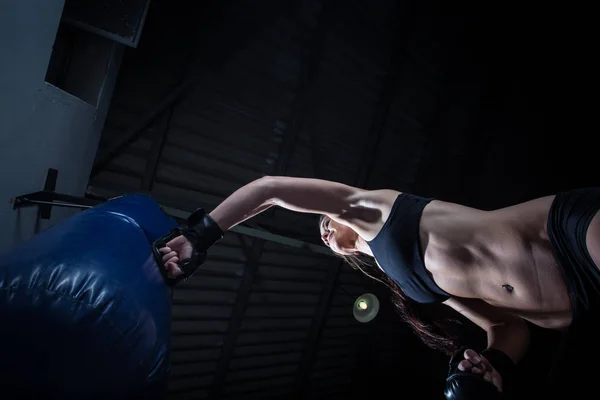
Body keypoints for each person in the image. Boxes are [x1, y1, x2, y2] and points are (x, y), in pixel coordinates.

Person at [157, 176, 600, 395]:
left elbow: (270, 189)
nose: (324, 229)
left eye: (325, 221)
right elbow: (509, 327)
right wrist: (492, 366)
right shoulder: (411, 281)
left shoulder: (378, 212)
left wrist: (201, 235)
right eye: (321, 234)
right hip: (582, 308)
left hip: (568, 235)